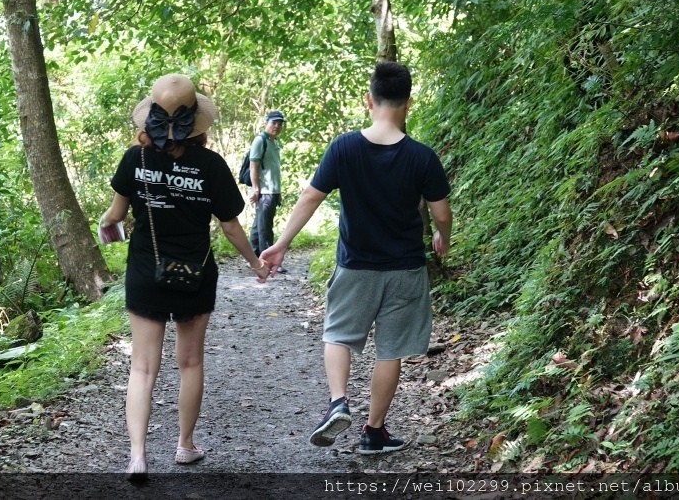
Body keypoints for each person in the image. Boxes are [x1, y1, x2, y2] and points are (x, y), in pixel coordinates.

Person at [261, 61, 452, 454]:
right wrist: (441, 236)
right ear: (408, 103)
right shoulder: (422, 156)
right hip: (405, 267)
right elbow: (442, 213)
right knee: (391, 348)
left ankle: (338, 402)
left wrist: (280, 243)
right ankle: (374, 431)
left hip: (355, 265)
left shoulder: (344, 147)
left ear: (369, 100)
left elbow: (311, 196)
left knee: (337, 333)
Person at [99, 74, 271, 479]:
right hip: (194, 274)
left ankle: (137, 457)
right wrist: (255, 264)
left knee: (142, 368)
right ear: (197, 121)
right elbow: (230, 227)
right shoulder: (210, 166)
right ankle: (184, 446)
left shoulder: (134, 160)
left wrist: (108, 226)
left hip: (145, 271)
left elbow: (113, 217)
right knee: (190, 363)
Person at [248, 110, 288, 273]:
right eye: (274, 123)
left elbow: (274, 169)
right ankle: (268, 262)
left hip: (272, 191)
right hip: (264, 191)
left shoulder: (274, 142)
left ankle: (254, 259)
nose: (277, 126)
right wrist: (256, 189)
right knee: (265, 228)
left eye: (280, 123)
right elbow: (253, 166)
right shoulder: (260, 140)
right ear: (266, 123)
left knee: (259, 227)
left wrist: (278, 191)